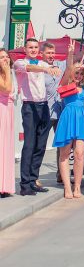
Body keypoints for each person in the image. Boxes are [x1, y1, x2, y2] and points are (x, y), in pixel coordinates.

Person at [13, 38, 61, 196]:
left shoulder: (42, 63)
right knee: (29, 145)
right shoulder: (20, 63)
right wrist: (46, 69)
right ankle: (25, 184)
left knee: (40, 145)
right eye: (30, 47)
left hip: (44, 106)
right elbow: (30, 68)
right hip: (29, 107)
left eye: (35, 47)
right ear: (25, 49)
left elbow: (54, 67)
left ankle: (34, 180)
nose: (33, 50)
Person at [53, 40, 84, 199]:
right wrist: (70, 54)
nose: (78, 76)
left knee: (79, 153)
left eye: (80, 74)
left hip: (80, 120)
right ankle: (67, 187)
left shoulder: (83, 88)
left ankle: (77, 187)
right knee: (64, 154)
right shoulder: (65, 84)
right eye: (76, 73)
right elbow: (69, 69)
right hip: (68, 118)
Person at [42, 41, 67, 185]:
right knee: (40, 144)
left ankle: (61, 174)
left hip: (60, 111)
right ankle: (34, 176)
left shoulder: (60, 65)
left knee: (62, 144)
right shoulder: (39, 68)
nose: (51, 55)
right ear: (43, 54)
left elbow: (74, 60)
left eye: (53, 53)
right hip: (45, 112)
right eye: (48, 53)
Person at [0, 49, 15, 197]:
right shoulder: (4, 74)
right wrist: (6, 71)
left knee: (6, 147)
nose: (5, 59)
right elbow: (7, 89)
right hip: (1, 109)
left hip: (8, 110)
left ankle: (5, 185)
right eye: (1, 57)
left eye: (6, 57)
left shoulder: (10, 73)